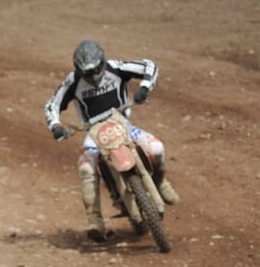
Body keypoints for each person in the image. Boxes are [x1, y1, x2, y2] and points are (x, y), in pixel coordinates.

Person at [44, 40, 179, 242]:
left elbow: (149, 66)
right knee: (87, 169)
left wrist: (144, 88)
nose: (91, 75)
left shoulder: (115, 68)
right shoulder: (73, 81)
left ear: (102, 62)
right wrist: (55, 126)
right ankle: (95, 220)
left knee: (157, 149)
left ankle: (160, 182)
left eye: (94, 70)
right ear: (78, 69)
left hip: (123, 125)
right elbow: (51, 105)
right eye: (86, 72)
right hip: (93, 132)